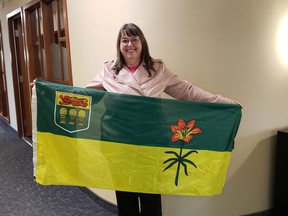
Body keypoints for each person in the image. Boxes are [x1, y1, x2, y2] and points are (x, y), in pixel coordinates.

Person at [86, 23, 238, 216]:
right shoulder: (109, 70)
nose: (129, 44)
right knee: (126, 197)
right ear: (119, 45)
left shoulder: (158, 69)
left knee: (151, 197)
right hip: (118, 143)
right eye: (125, 40)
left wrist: (223, 102)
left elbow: (188, 91)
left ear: (142, 42)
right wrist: (47, 92)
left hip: (150, 142)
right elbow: (84, 95)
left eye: (134, 39)